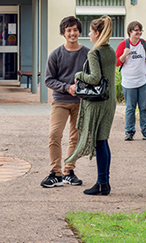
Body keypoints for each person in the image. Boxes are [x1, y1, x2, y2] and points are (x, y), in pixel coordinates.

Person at [64, 15, 116, 196]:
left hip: (97, 104)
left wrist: (79, 75)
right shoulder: (111, 51)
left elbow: (94, 78)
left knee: (100, 143)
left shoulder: (94, 53)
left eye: (91, 31)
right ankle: (105, 182)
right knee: (104, 141)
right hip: (109, 101)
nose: (88, 34)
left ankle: (102, 183)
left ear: (98, 33)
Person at [41, 16, 88, 188]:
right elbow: (48, 80)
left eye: (75, 30)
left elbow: (94, 78)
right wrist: (67, 87)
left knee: (75, 138)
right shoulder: (56, 54)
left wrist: (82, 86)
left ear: (79, 31)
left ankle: (69, 171)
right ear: (63, 33)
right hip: (60, 101)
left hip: (81, 103)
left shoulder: (88, 54)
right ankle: (56, 173)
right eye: (69, 30)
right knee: (54, 135)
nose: (72, 33)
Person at [116, 21, 146, 141]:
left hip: (143, 82)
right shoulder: (123, 45)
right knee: (130, 108)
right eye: (136, 30)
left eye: (140, 30)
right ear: (130, 32)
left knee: (144, 107)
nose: (139, 32)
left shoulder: (145, 44)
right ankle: (129, 132)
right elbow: (117, 62)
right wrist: (124, 54)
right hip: (128, 83)